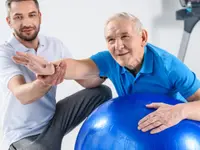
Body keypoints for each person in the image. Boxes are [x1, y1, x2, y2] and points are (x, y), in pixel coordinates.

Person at [14, 11, 200, 136]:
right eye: (111, 39)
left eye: (125, 36)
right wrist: (49, 68)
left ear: (143, 37)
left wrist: (180, 111)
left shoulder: (169, 67)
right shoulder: (110, 60)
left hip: (174, 133)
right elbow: (78, 66)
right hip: (135, 130)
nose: (118, 46)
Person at [0, 0, 112, 150]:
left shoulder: (54, 45)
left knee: (102, 92)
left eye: (31, 15)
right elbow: (23, 95)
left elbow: (87, 81)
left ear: (39, 16)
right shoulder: (5, 52)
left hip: (54, 120)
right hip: (25, 135)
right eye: (18, 17)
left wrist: (110, 65)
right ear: (9, 21)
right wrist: (46, 81)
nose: (26, 22)